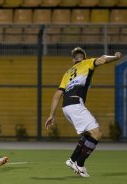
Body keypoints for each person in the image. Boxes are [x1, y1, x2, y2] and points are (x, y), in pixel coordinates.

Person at [45, 47, 122, 177]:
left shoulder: (67, 73)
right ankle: (79, 165)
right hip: (75, 104)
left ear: (73, 59)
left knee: (88, 133)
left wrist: (51, 115)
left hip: (66, 107)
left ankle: (72, 159)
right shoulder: (87, 63)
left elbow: (57, 95)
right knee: (96, 134)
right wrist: (116, 57)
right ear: (84, 58)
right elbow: (103, 59)